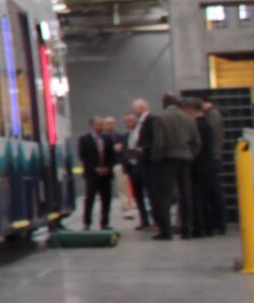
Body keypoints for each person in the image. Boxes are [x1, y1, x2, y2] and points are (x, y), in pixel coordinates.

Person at [144, 92, 198, 240]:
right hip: (185, 158)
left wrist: (156, 159)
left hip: (167, 159)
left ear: (164, 103)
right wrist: (190, 154)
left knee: (164, 195)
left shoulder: (160, 118)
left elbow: (159, 143)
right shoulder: (188, 118)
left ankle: (166, 230)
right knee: (185, 194)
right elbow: (196, 141)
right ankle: (187, 229)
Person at [187, 96, 228, 236]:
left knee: (212, 193)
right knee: (212, 192)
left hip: (210, 158)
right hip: (212, 158)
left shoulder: (211, 117)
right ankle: (217, 224)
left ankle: (217, 224)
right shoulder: (211, 116)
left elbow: (207, 141)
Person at [75, 116, 120, 229]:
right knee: (90, 198)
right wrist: (94, 168)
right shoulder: (84, 139)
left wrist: (107, 168)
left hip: (105, 174)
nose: (101, 127)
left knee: (106, 198)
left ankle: (104, 222)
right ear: (92, 125)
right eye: (99, 125)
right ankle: (87, 222)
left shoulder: (107, 139)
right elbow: (83, 156)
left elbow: (112, 156)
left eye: (102, 125)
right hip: (92, 174)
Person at [123, 100, 154, 231]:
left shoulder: (142, 129)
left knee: (150, 193)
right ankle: (144, 219)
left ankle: (154, 219)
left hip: (144, 165)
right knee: (138, 195)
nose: (128, 124)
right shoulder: (127, 135)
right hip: (133, 167)